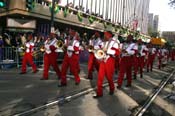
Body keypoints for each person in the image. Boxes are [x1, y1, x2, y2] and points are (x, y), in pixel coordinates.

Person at [93, 31, 120, 98]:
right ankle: (99, 93)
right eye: (104, 35)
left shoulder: (114, 43)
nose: (104, 36)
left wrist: (107, 50)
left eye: (105, 35)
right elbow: (100, 50)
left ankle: (112, 88)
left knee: (109, 77)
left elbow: (117, 53)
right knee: (100, 77)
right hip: (103, 61)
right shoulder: (103, 42)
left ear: (109, 36)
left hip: (110, 60)